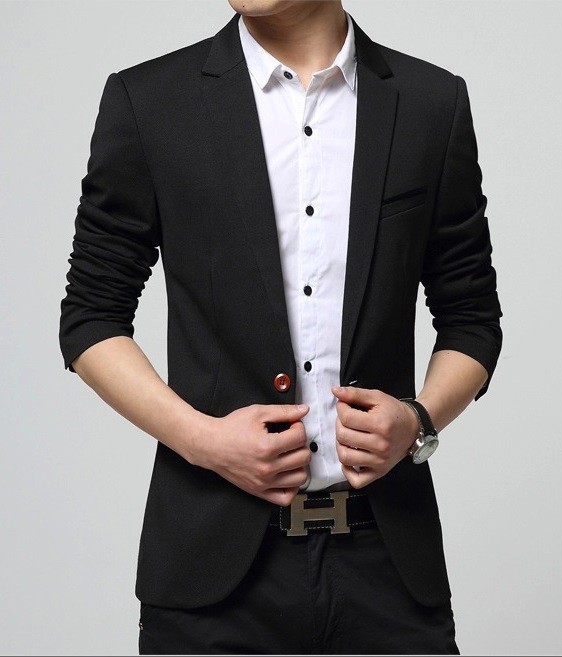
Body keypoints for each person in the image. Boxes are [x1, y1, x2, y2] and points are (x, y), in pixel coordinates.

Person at [59, 1, 502, 654]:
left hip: (387, 568)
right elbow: (91, 315)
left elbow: (471, 318)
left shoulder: (429, 103)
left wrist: (417, 421)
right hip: (211, 580)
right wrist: (204, 441)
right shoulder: (151, 101)